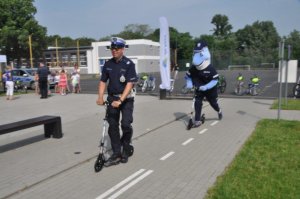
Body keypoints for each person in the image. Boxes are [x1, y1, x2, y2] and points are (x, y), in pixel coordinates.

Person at [96, 37, 137, 167]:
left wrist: (120, 100)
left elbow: (129, 84)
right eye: (112, 48)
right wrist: (100, 97)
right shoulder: (108, 64)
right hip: (112, 98)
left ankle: (126, 147)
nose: (114, 50)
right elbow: (103, 81)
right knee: (112, 127)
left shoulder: (129, 64)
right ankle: (116, 153)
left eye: (117, 48)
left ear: (122, 49)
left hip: (126, 99)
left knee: (125, 124)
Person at [186, 40, 222, 130]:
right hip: (199, 89)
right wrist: (189, 83)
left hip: (210, 90)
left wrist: (206, 87)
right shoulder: (193, 68)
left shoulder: (210, 68)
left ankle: (219, 110)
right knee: (197, 103)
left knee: (213, 103)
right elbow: (188, 77)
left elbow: (215, 80)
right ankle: (197, 120)